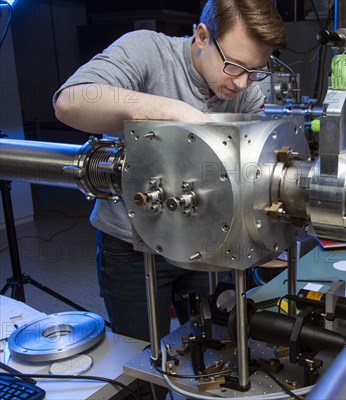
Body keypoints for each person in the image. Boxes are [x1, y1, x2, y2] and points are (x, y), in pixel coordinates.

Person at [53, 0, 287, 342]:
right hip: (133, 245)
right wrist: (170, 112)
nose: (243, 84)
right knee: (141, 355)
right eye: (235, 67)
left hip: (210, 241)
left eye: (255, 71)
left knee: (213, 348)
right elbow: (70, 102)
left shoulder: (245, 93)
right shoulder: (147, 50)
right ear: (203, 37)